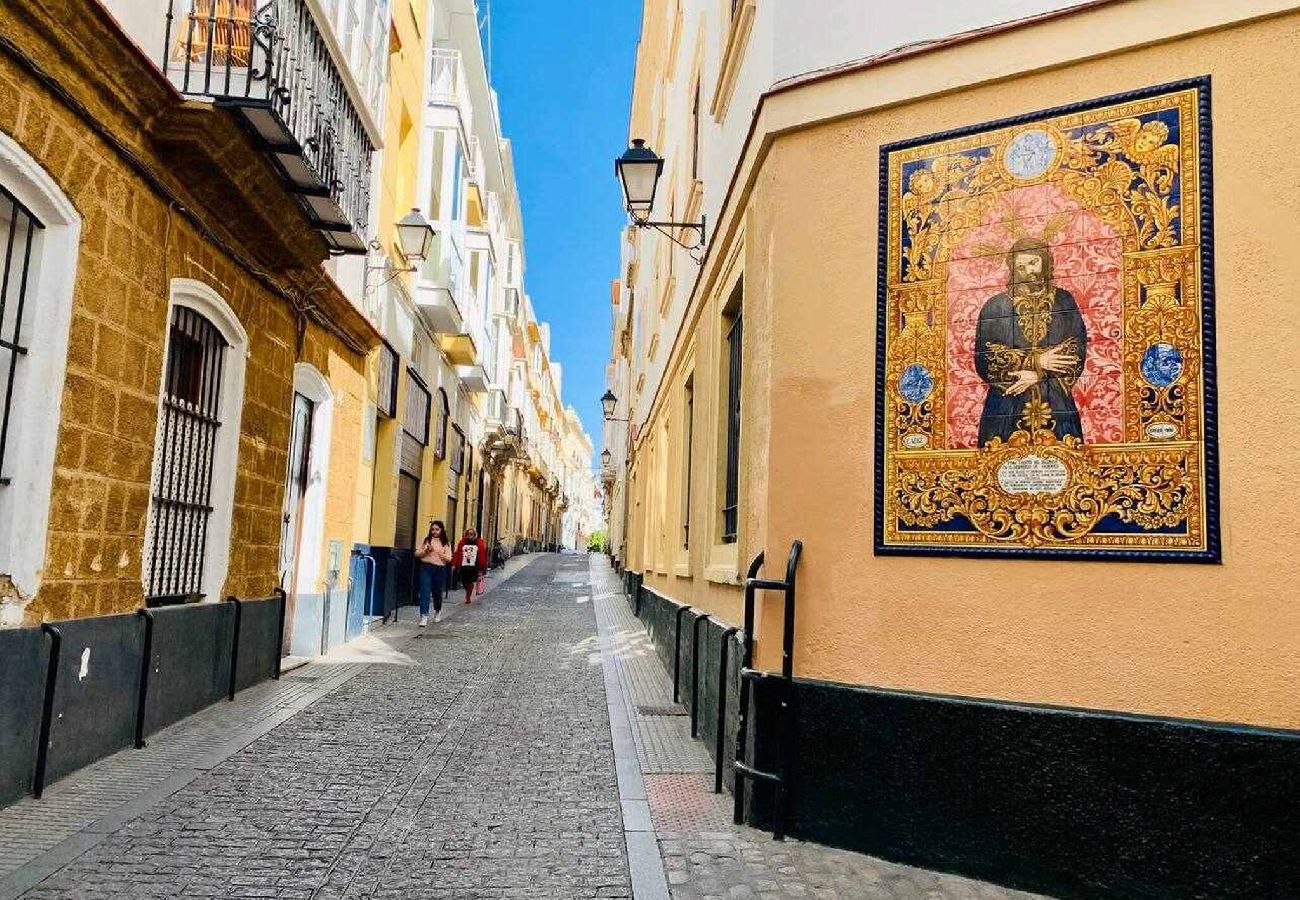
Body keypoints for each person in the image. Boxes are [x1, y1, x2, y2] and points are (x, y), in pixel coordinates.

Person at [974, 236, 1087, 447]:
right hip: (1006, 404)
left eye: (1034, 262)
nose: (1029, 271)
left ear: (1045, 261)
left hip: (1055, 402)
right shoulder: (995, 306)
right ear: (1013, 270)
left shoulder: (1063, 301)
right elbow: (985, 358)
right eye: (1021, 267)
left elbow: (1075, 348)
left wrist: (1038, 373)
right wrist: (1035, 361)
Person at [414, 520, 452, 626]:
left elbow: (449, 558)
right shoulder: (427, 540)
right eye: (433, 529)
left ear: (441, 530)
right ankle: (424, 616)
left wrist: (439, 553)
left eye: (437, 529)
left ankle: (437, 611)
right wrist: (426, 551)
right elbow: (417, 554)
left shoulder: (446, 543)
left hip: (439, 569)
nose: (434, 531)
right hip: (426, 567)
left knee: (437, 593)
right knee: (424, 592)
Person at [452, 527, 488, 605]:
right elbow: (458, 553)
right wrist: (455, 563)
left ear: (474, 535)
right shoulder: (462, 543)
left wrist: (482, 567)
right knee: (464, 581)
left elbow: (482, 555)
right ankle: (467, 592)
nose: (469, 535)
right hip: (464, 565)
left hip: (474, 566)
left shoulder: (479, 543)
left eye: (471, 534)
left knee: (470, 581)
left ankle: (468, 596)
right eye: (468, 534)